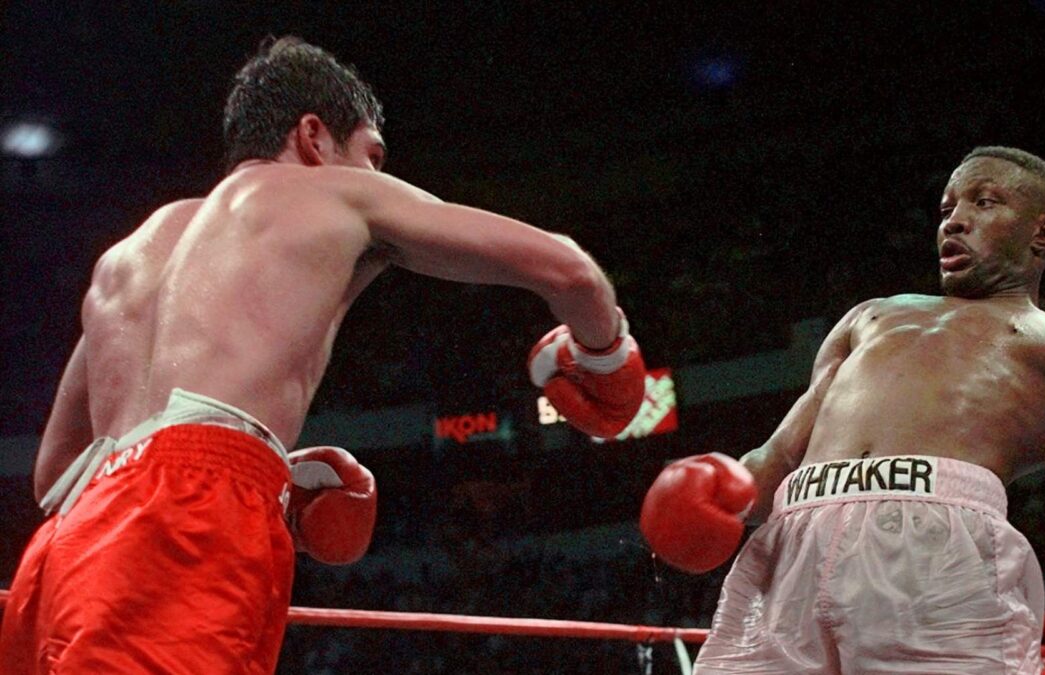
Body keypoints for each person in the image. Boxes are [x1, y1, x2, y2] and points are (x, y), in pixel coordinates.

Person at [0, 37, 645, 674]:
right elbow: (569, 271)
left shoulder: (127, 255)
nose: (376, 176)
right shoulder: (336, 194)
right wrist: (606, 358)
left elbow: (55, 474)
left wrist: (261, 462)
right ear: (314, 136)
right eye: (372, 155)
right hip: (184, 528)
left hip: (63, 554)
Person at [641, 147, 1045, 674]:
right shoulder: (871, 316)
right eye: (946, 210)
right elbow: (783, 452)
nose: (956, 222)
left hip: (939, 550)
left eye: (984, 202)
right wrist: (720, 492)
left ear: (1044, 232)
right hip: (790, 548)